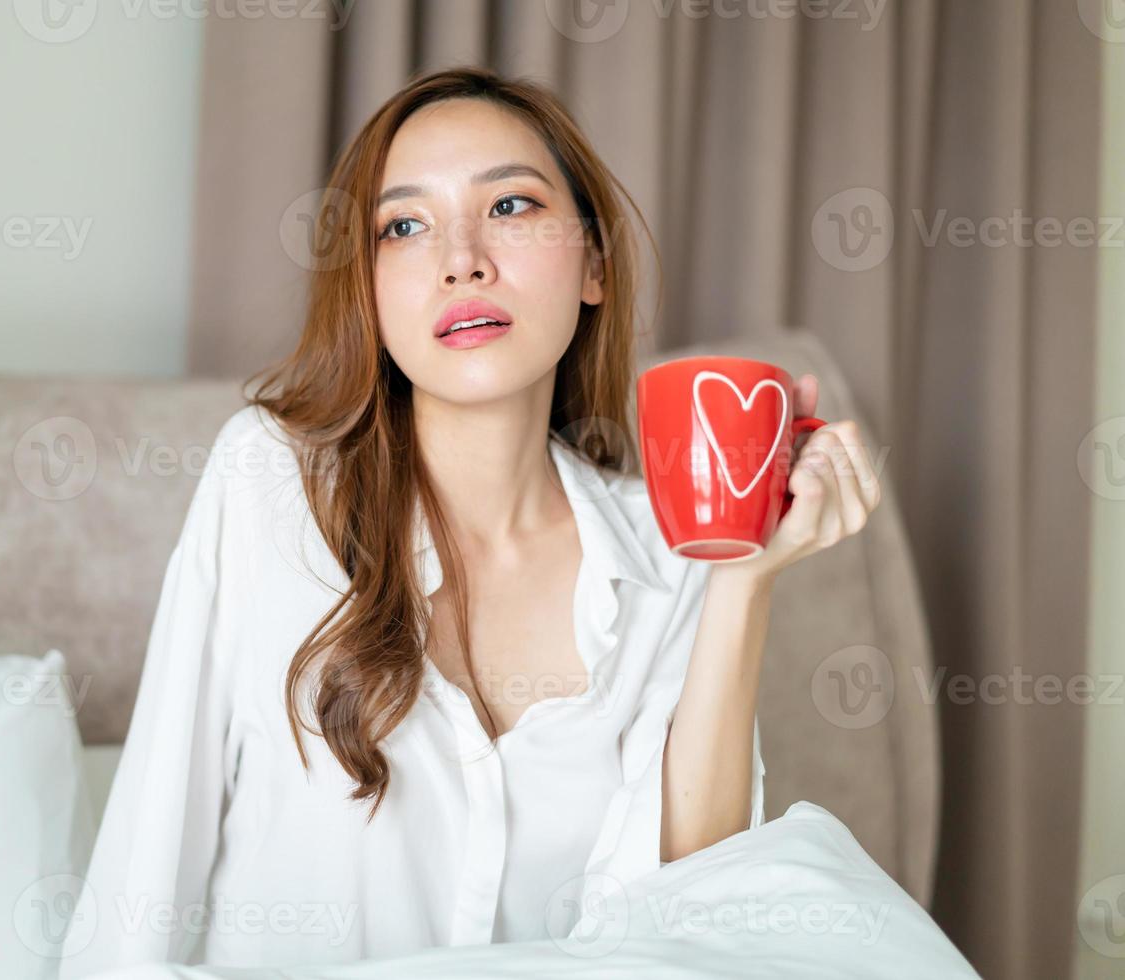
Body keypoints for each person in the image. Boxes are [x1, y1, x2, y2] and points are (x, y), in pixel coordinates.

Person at [60, 66, 882, 973]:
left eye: (511, 207)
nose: (461, 259)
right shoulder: (267, 485)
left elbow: (682, 915)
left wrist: (742, 578)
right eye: (404, 226)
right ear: (369, 290)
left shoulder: (668, 550)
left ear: (594, 264)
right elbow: (148, 855)